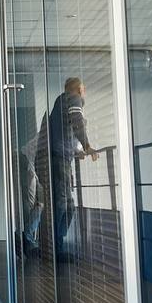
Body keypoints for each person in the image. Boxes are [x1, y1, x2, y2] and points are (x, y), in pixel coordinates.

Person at [36, 76, 98, 259]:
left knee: (65, 205)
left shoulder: (60, 103)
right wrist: (87, 146)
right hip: (58, 160)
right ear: (79, 89)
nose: (84, 92)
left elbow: (63, 132)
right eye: (83, 88)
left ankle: (53, 244)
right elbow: (76, 120)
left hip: (55, 159)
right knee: (62, 204)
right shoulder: (73, 98)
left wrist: (76, 150)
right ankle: (56, 248)